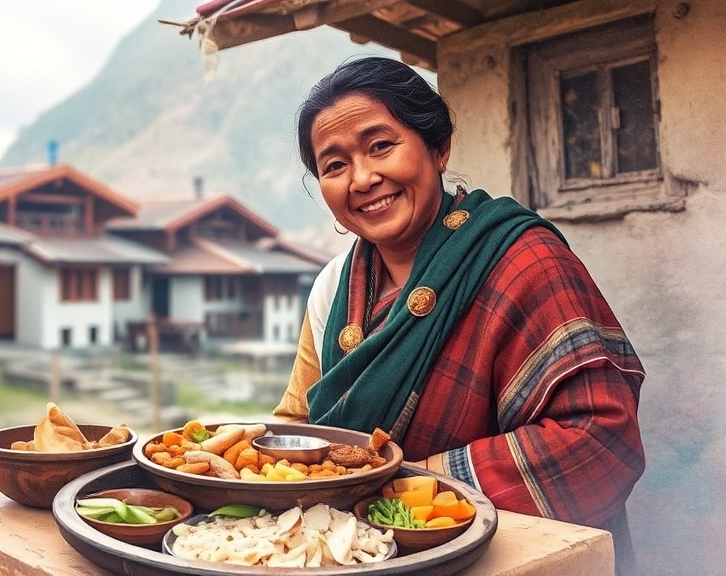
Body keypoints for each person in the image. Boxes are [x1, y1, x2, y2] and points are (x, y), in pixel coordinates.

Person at [273, 56, 644, 572]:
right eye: (334, 165)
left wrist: (408, 483)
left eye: (381, 146)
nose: (362, 178)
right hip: (360, 555)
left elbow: (599, 438)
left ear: (438, 147)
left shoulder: (522, 262)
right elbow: (298, 425)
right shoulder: (334, 288)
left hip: (512, 558)